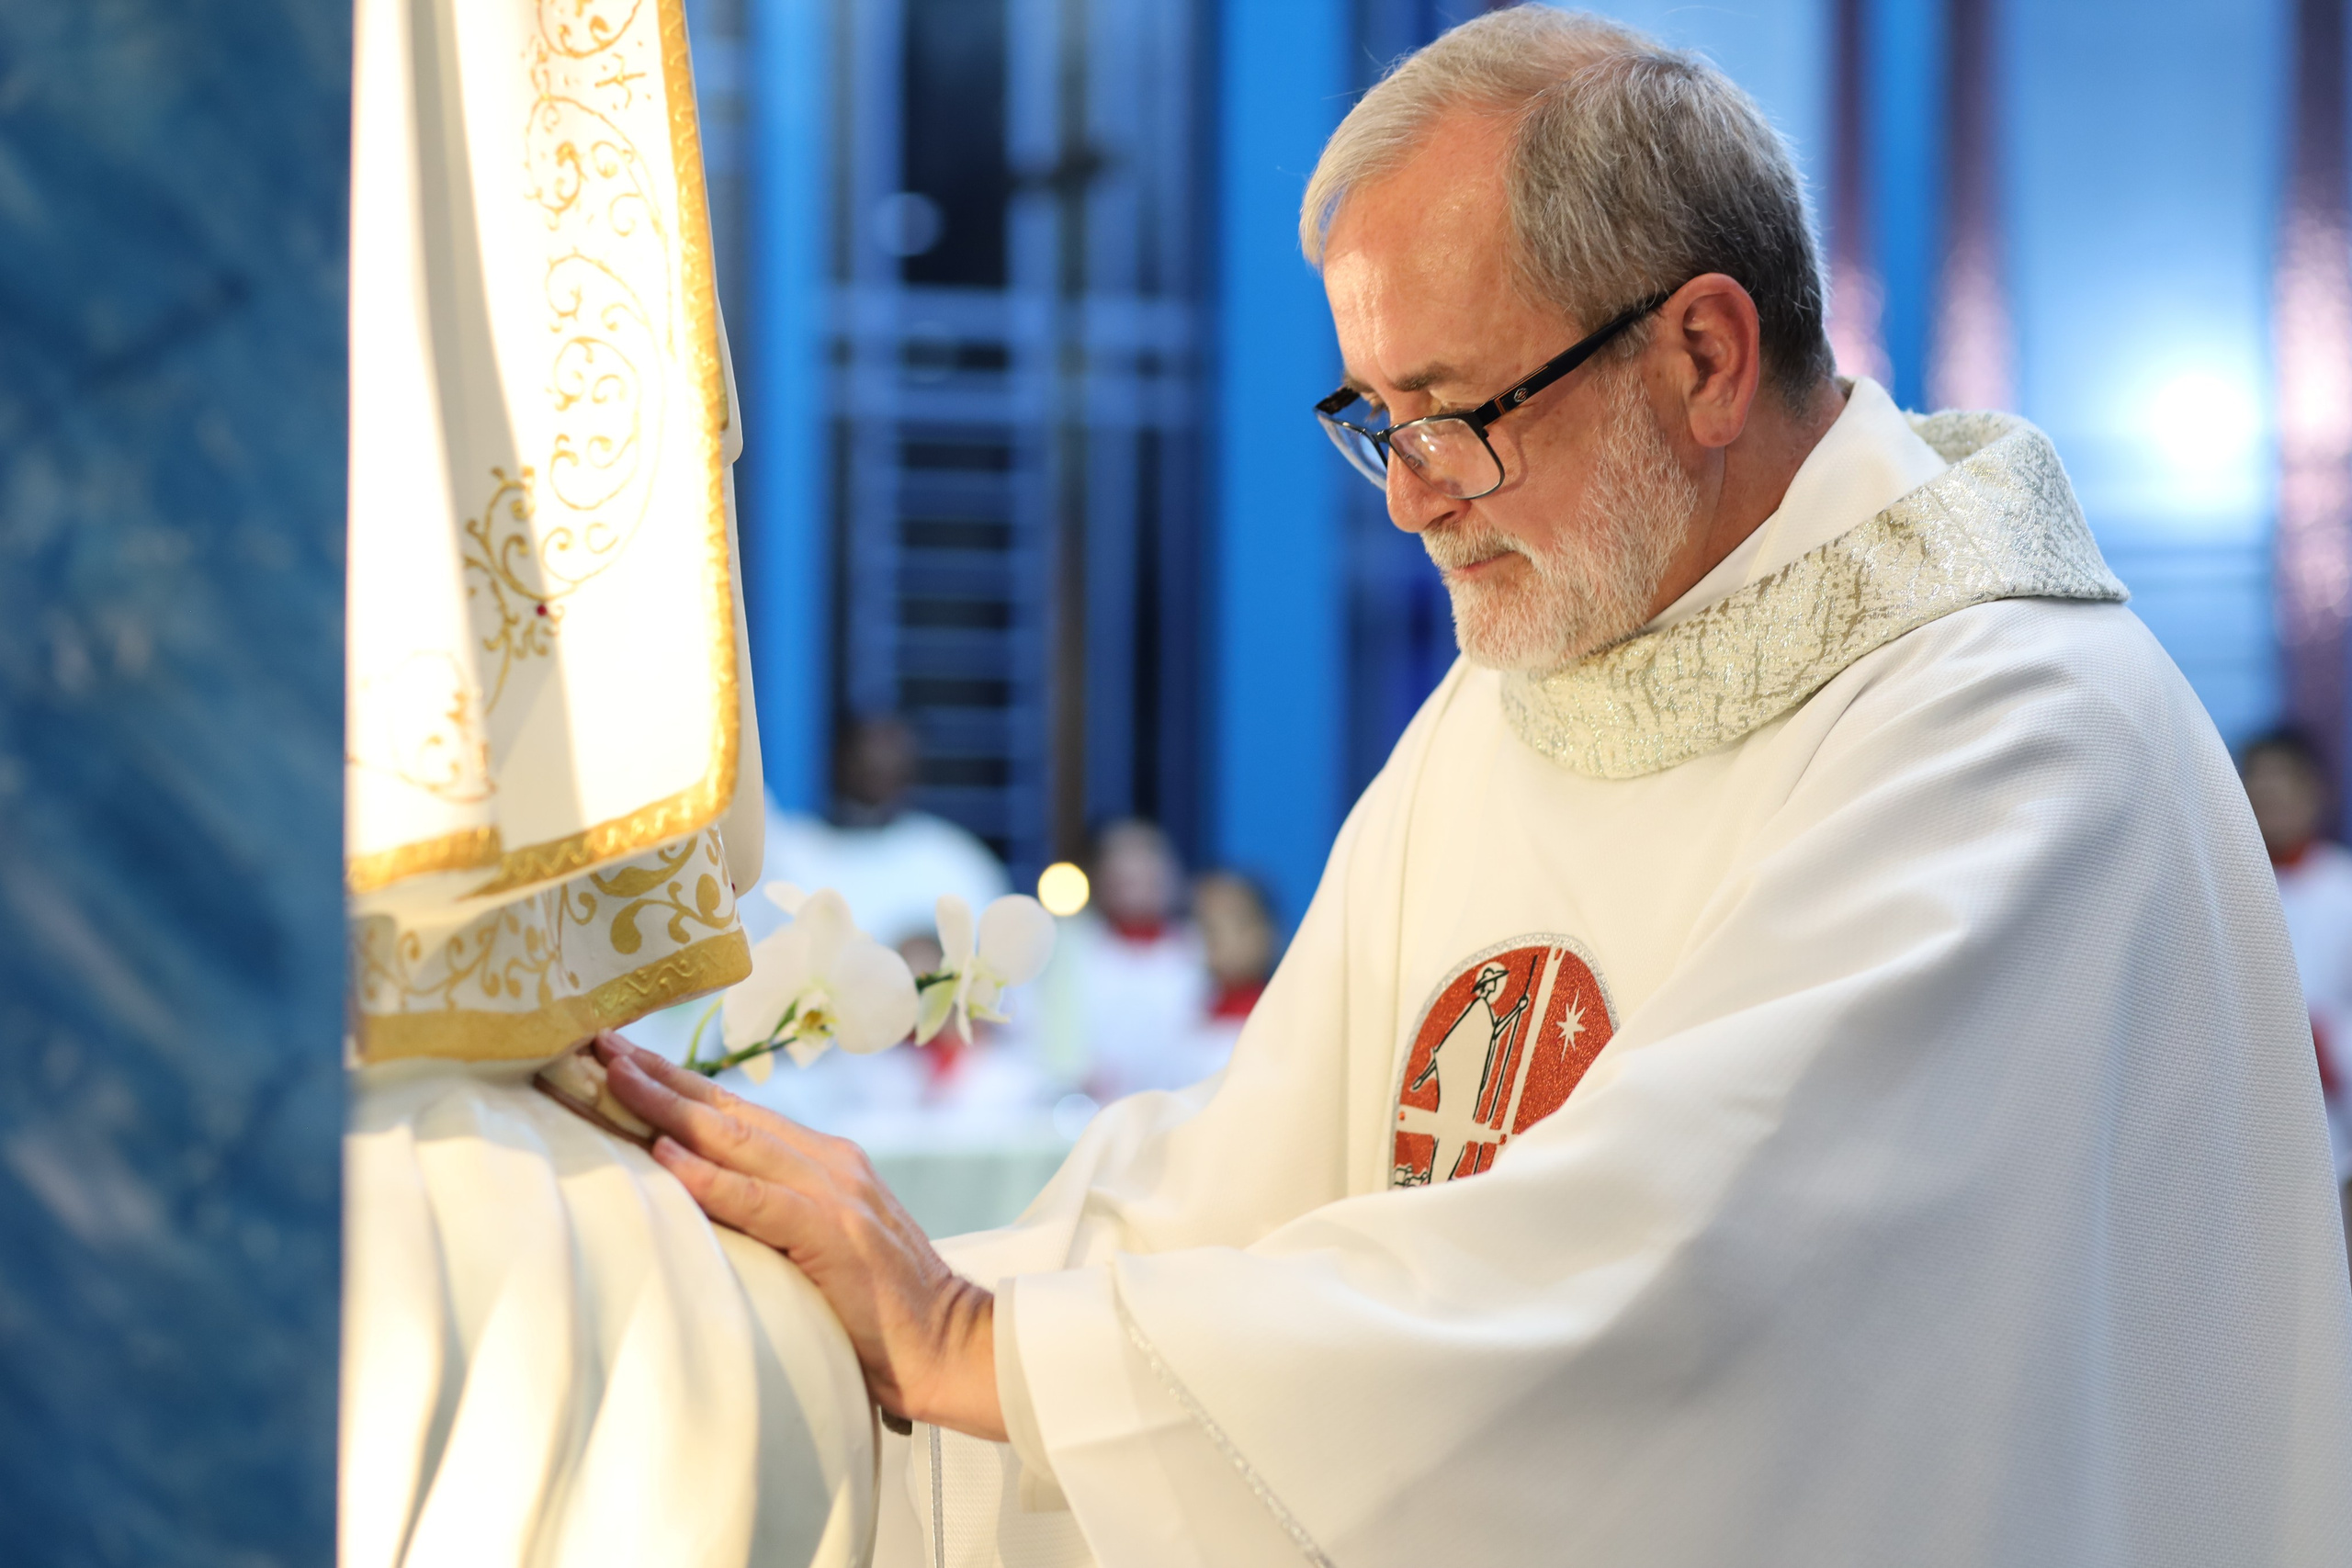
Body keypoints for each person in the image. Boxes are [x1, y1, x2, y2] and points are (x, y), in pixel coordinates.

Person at [602, 11, 2352, 1563]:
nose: (1408, 497)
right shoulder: (1526, 690)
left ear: (1704, 357)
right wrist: (847, 1273)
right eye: (1371, 417)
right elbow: (1250, 1184)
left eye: (1449, 411)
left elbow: (1676, 1287)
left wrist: (978, 1348)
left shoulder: (2017, 734)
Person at [2242, 728, 2352, 1224]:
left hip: (2332, 1120)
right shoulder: (2221, 891)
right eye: (2259, 786)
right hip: (2244, 1114)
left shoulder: (2344, 887)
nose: (2272, 798)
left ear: (2316, 792)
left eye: (2286, 784)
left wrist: (2326, 1044)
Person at [1029, 819, 1216, 1101]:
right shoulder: (1069, 949)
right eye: (1122, 863)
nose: (1136, 872)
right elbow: (1042, 1034)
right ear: (1098, 875)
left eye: (1149, 859)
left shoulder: (1200, 949)